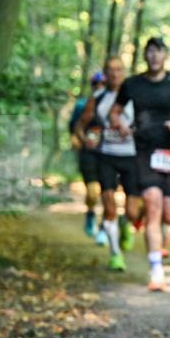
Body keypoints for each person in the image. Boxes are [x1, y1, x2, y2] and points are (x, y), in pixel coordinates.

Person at [110, 37, 170, 291]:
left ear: (165, 55)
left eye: (158, 52)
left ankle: (149, 222)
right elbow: (115, 112)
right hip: (144, 151)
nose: (154, 57)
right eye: (149, 52)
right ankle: (156, 271)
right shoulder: (132, 84)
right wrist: (120, 126)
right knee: (153, 203)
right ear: (144, 56)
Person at [74, 56, 139, 271]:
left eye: (119, 70)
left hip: (132, 156)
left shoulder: (135, 96)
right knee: (109, 205)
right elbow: (80, 126)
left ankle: (125, 225)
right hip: (106, 156)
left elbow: (148, 121)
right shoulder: (98, 99)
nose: (115, 74)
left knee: (132, 211)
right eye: (110, 70)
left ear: (124, 72)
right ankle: (115, 254)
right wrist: (87, 141)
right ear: (105, 73)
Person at [69, 71, 107, 244]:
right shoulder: (82, 105)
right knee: (93, 192)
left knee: (108, 194)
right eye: (96, 84)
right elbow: (74, 129)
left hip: (108, 154)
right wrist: (81, 140)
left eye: (102, 84)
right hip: (89, 154)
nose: (99, 87)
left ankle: (104, 229)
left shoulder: (113, 105)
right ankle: (91, 214)